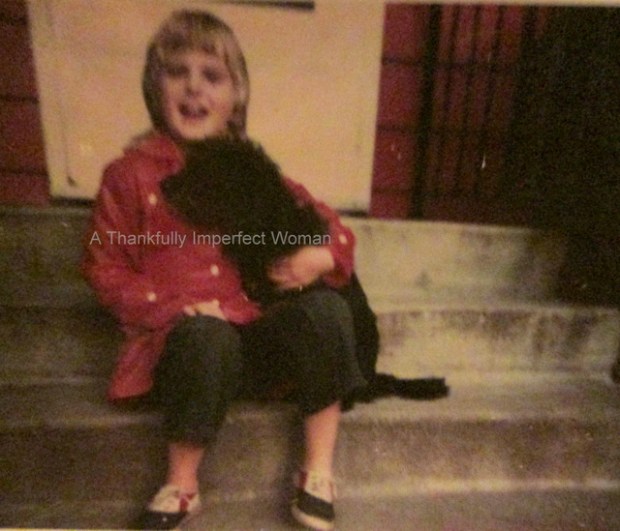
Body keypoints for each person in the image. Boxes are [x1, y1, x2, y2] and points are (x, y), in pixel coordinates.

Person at [82, 9, 371, 531]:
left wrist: (322, 256)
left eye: (212, 76)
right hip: (180, 345)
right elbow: (106, 267)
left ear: (236, 95)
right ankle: (182, 484)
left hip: (252, 341)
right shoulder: (129, 175)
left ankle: (319, 470)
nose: (194, 87)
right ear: (155, 87)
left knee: (327, 310)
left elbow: (334, 228)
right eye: (178, 72)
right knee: (206, 336)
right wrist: (176, 308)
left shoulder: (247, 166)